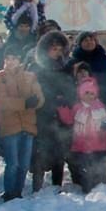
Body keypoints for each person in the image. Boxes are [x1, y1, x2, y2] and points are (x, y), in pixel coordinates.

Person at [0, 46, 44, 201]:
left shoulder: (30, 76)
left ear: (20, 60)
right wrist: (23, 104)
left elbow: (40, 98)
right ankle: (9, 191)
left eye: (14, 58)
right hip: (10, 125)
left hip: (28, 125)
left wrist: (34, 102)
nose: (11, 62)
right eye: (8, 59)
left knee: (24, 164)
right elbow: (1, 101)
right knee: (12, 163)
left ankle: (18, 191)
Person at [27, 30, 74, 192]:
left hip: (60, 115)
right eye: (53, 48)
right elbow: (30, 88)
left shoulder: (66, 66)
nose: (57, 52)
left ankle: (56, 185)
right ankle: (37, 185)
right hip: (42, 114)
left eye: (60, 49)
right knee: (40, 151)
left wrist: (66, 98)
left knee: (59, 151)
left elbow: (71, 88)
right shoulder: (36, 66)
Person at [59, 77, 106, 193]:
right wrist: (62, 109)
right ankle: (86, 188)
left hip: (99, 145)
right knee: (85, 171)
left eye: (92, 93)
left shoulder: (100, 108)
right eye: (86, 93)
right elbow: (69, 120)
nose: (89, 96)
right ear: (81, 93)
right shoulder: (77, 107)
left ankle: (100, 186)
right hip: (81, 146)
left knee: (99, 170)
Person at [70, 31, 106, 103]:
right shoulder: (74, 60)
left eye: (91, 40)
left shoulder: (104, 58)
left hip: (104, 97)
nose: (89, 42)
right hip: (82, 101)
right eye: (86, 40)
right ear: (80, 43)